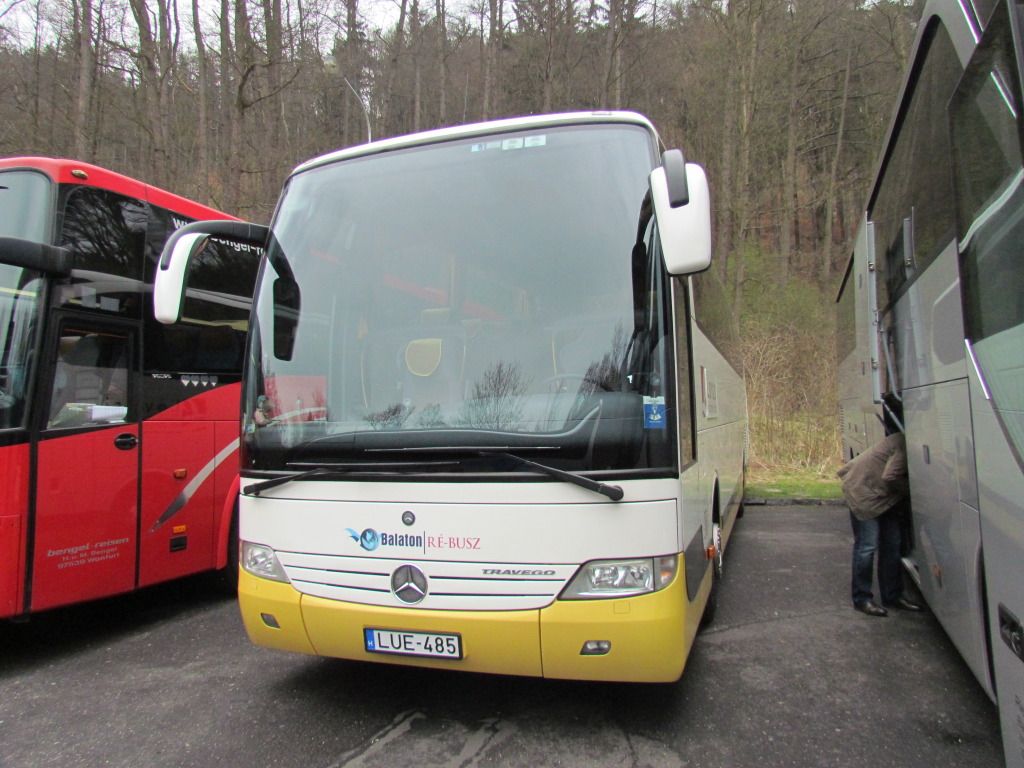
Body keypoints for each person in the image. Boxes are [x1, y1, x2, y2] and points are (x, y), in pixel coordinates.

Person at [837, 401, 922, 617]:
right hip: (863, 494)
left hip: (884, 496)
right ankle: (862, 599)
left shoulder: (907, 440)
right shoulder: (904, 444)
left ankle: (892, 595)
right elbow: (891, 476)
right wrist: (914, 491)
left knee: (892, 545)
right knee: (866, 547)